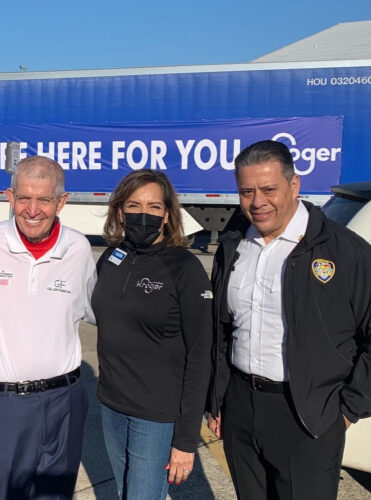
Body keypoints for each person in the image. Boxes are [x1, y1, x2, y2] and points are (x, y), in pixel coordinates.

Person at [205, 140, 371, 499]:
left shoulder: (344, 251)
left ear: (294, 185)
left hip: (307, 414)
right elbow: (223, 330)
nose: (257, 202)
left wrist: (347, 410)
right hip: (241, 407)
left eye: (269, 189)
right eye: (247, 192)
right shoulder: (233, 246)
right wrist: (218, 397)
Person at [0, 155, 97, 499]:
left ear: (61, 202)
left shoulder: (78, 249)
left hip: (65, 401)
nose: (32, 210)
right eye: (24, 198)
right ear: (10, 197)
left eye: (44, 199)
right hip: (4, 405)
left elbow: (102, 311)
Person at [92, 170, 213, 498]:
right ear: (120, 211)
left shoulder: (184, 268)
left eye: (154, 206)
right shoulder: (111, 258)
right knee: (125, 492)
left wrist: (185, 440)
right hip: (112, 406)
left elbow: (200, 356)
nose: (143, 214)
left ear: (168, 214)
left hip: (156, 415)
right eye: (134, 205)